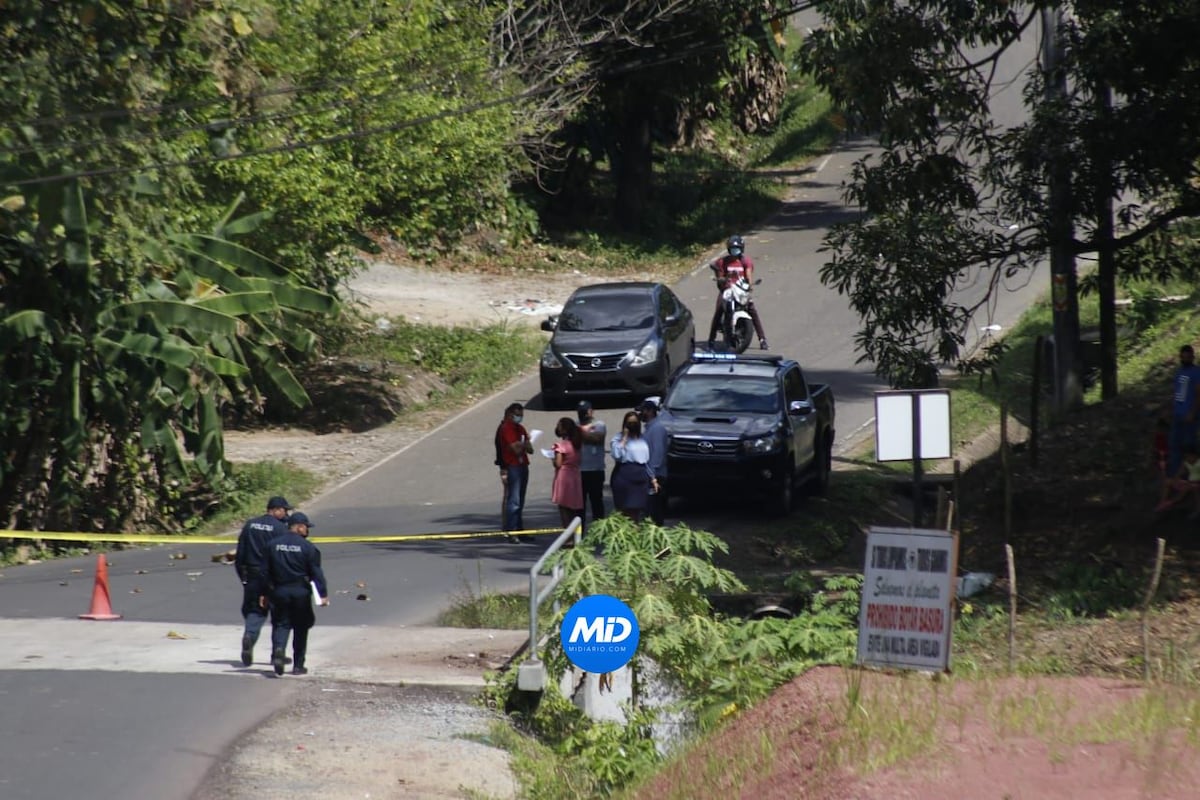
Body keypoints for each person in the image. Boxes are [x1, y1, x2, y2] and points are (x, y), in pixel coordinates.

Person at [264, 511, 329, 676]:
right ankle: (298, 665)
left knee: (281, 624)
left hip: (279, 591)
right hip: (300, 591)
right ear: (300, 527)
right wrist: (322, 594)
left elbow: (264, 572)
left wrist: (264, 593)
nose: (307, 531)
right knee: (301, 627)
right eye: (306, 527)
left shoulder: (272, 545)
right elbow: (316, 573)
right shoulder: (308, 548)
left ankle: (278, 650)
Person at [234, 495, 291, 667]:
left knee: (255, 610)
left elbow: (240, 555)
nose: (286, 513)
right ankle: (277, 653)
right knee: (280, 616)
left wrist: (243, 578)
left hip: (252, 575)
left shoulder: (250, 525)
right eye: (284, 510)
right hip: (274, 576)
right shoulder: (280, 528)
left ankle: (249, 637)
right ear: (276, 510)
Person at [707, 234, 768, 351]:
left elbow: (749, 274)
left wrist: (750, 285)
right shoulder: (723, 262)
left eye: (737, 248)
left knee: (752, 310)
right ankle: (711, 339)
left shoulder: (745, 261)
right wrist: (721, 278)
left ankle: (762, 339)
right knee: (719, 309)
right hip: (728, 290)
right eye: (733, 248)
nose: (735, 251)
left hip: (740, 290)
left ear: (742, 249)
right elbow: (716, 270)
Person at [610, 411, 657, 522]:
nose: (632, 425)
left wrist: (653, 478)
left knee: (636, 512)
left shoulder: (643, 439)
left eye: (634, 423)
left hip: (640, 478)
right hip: (624, 477)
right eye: (629, 423)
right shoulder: (618, 438)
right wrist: (624, 438)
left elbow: (647, 461)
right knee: (625, 512)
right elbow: (616, 455)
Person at [496, 402, 533, 540]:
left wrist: (523, 443)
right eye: (518, 415)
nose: (520, 418)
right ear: (511, 414)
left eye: (521, 415)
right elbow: (515, 449)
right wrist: (523, 444)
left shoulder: (520, 428)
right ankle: (512, 531)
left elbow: (530, 449)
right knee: (514, 500)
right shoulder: (506, 429)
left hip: (523, 465)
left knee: (521, 500)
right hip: (513, 466)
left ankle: (520, 530)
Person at [1167, 344, 1200, 477]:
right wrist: (1170, 408)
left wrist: (1193, 412)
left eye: (1188, 357)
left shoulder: (1196, 372)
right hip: (1177, 414)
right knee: (1174, 444)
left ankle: (1192, 476)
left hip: (1190, 415)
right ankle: (1175, 475)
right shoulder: (1179, 372)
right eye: (1183, 357)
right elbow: (1176, 392)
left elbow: (1199, 394)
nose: (1185, 359)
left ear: (1192, 357)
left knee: (1189, 445)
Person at [639, 397, 669, 526]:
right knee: (649, 511)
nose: (641, 414)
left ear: (650, 411)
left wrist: (652, 475)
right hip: (652, 475)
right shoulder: (650, 428)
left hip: (656, 476)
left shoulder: (657, 429)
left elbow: (658, 453)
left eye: (643, 411)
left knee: (655, 512)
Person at [576, 400, 608, 524]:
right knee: (579, 506)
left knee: (597, 503)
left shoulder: (599, 424)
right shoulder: (575, 424)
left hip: (595, 470)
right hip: (579, 471)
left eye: (585, 412)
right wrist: (583, 431)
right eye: (581, 412)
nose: (583, 415)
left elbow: (596, 439)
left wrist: (579, 431)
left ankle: (599, 533)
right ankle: (579, 535)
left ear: (591, 412)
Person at [551, 417, 585, 529]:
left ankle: (567, 537)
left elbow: (558, 463)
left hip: (564, 476)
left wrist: (553, 458)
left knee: (564, 507)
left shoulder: (561, 445)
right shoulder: (576, 444)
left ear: (564, 430)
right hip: (575, 476)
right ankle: (574, 535)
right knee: (572, 507)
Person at [1155, 448, 1200, 517]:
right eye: (1186, 457)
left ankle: (1169, 503)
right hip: (1189, 481)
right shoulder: (1185, 462)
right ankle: (1162, 502)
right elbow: (1180, 472)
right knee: (1168, 481)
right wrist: (1175, 480)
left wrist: (1192, 482)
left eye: (1189, 456)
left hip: (1196, 483)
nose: (1188, 458)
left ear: (1194, 455)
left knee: (1189, 487)